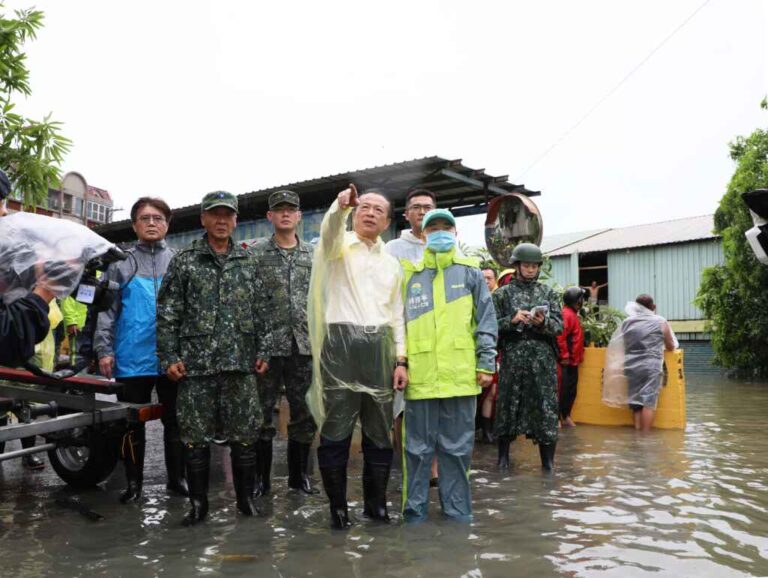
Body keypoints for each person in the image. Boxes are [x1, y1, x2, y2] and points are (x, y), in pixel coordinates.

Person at [156, 191, 272, 526]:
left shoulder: (248, 260)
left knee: (245, 436)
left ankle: (245, 501)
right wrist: (170, 356)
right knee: (195, 438)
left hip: (240, 364)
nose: (221, 221)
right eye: (215, 214)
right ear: (203, 219)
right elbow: (168, 313)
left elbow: (263, 310)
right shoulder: (186, 260)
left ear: (235, 220)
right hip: (197, 366)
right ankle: (198, 505)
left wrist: (264, 350)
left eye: (228, 215)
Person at [307, 183, 407, 529]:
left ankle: (376, 507)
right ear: (355, 213)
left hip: (380, 347)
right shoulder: (337, 249)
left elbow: (398, 314)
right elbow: (329, 232)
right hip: (339, 346)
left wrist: (401, 359)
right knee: (336, 428)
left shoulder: (393, 264)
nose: (370, 213)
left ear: (388, 222)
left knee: (380, 431)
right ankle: (338, 509)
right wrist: (339, 207)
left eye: (379, 210)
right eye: (364, 207)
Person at [400, 209, 497, 523]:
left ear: (455, 233)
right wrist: (399, 363)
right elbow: (397, 325)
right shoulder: (410, 274)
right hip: (421, 378)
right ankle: (413, 515)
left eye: (446, 227)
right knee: (416, 451)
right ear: (424, 234)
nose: (440, 232)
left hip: (460, 377)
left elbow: (486, 321)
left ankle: (457, 514)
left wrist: (485, 363)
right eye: (434, 227)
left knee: (456, 451)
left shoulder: (470, 273)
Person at [94, 197, 188, 503]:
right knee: (131, 425)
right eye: (145, 218)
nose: (151, 223)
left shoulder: (178, 260)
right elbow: (106, 311)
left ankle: (177, 480)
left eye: (158, 218)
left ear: (167, 224)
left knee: (176, 422)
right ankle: (134, 483)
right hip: (131, 356)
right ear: (134, 224)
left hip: (172, 358)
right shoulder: (120, 263)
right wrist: (103, 349)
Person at [249, 190, 318, 496]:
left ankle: (298, 477)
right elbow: (246, 300)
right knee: (262, 414)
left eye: (291, 209)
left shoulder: (313, 255)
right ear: (270, 217)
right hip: (267, 347)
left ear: (299, 216)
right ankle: (261, 479)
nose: (286, 214)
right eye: (280, 210)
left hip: (304, 346)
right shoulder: (255, 253)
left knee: (304, 413)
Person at [493, 243, 563, 471]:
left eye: (534, 266)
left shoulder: (548, 293)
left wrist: (543, 323)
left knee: (545, 409)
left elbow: (559, 326)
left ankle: (548, 464)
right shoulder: (502, 294)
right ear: (517, 266)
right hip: (513, 359)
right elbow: (490, 327)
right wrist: (511, 321)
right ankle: (502, 460)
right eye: (526, 265)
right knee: (507, 407)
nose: (530, 269)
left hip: (542, 362)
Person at [384, 189, 438, 484]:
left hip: (437, 337)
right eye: (415, 207)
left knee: (434, 403)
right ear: (406, 214)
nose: (421, 212)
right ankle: (404, 460)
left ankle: (433, 468)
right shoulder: (393, 248)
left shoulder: (446, 245)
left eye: (427, 207)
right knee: (401, 402)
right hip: (402, 333)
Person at [603, 294, 677, 432]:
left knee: (635, 401)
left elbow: (623, 343)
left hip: (631, 366)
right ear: (653, 307)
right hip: (651, 367)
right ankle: (645, 438)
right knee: (648, 402)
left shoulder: (627, 323)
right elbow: (671, 345)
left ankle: (637, 436)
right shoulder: (660, 322)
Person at [557, 287, 586, 428]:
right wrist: (565, 356)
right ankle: (558, 417)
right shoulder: (566, 314)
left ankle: (566, 416)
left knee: (570, 391)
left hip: (573, 361)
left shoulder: (573, 314)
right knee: (562, 390)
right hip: (566, 361)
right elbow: (560, 336)